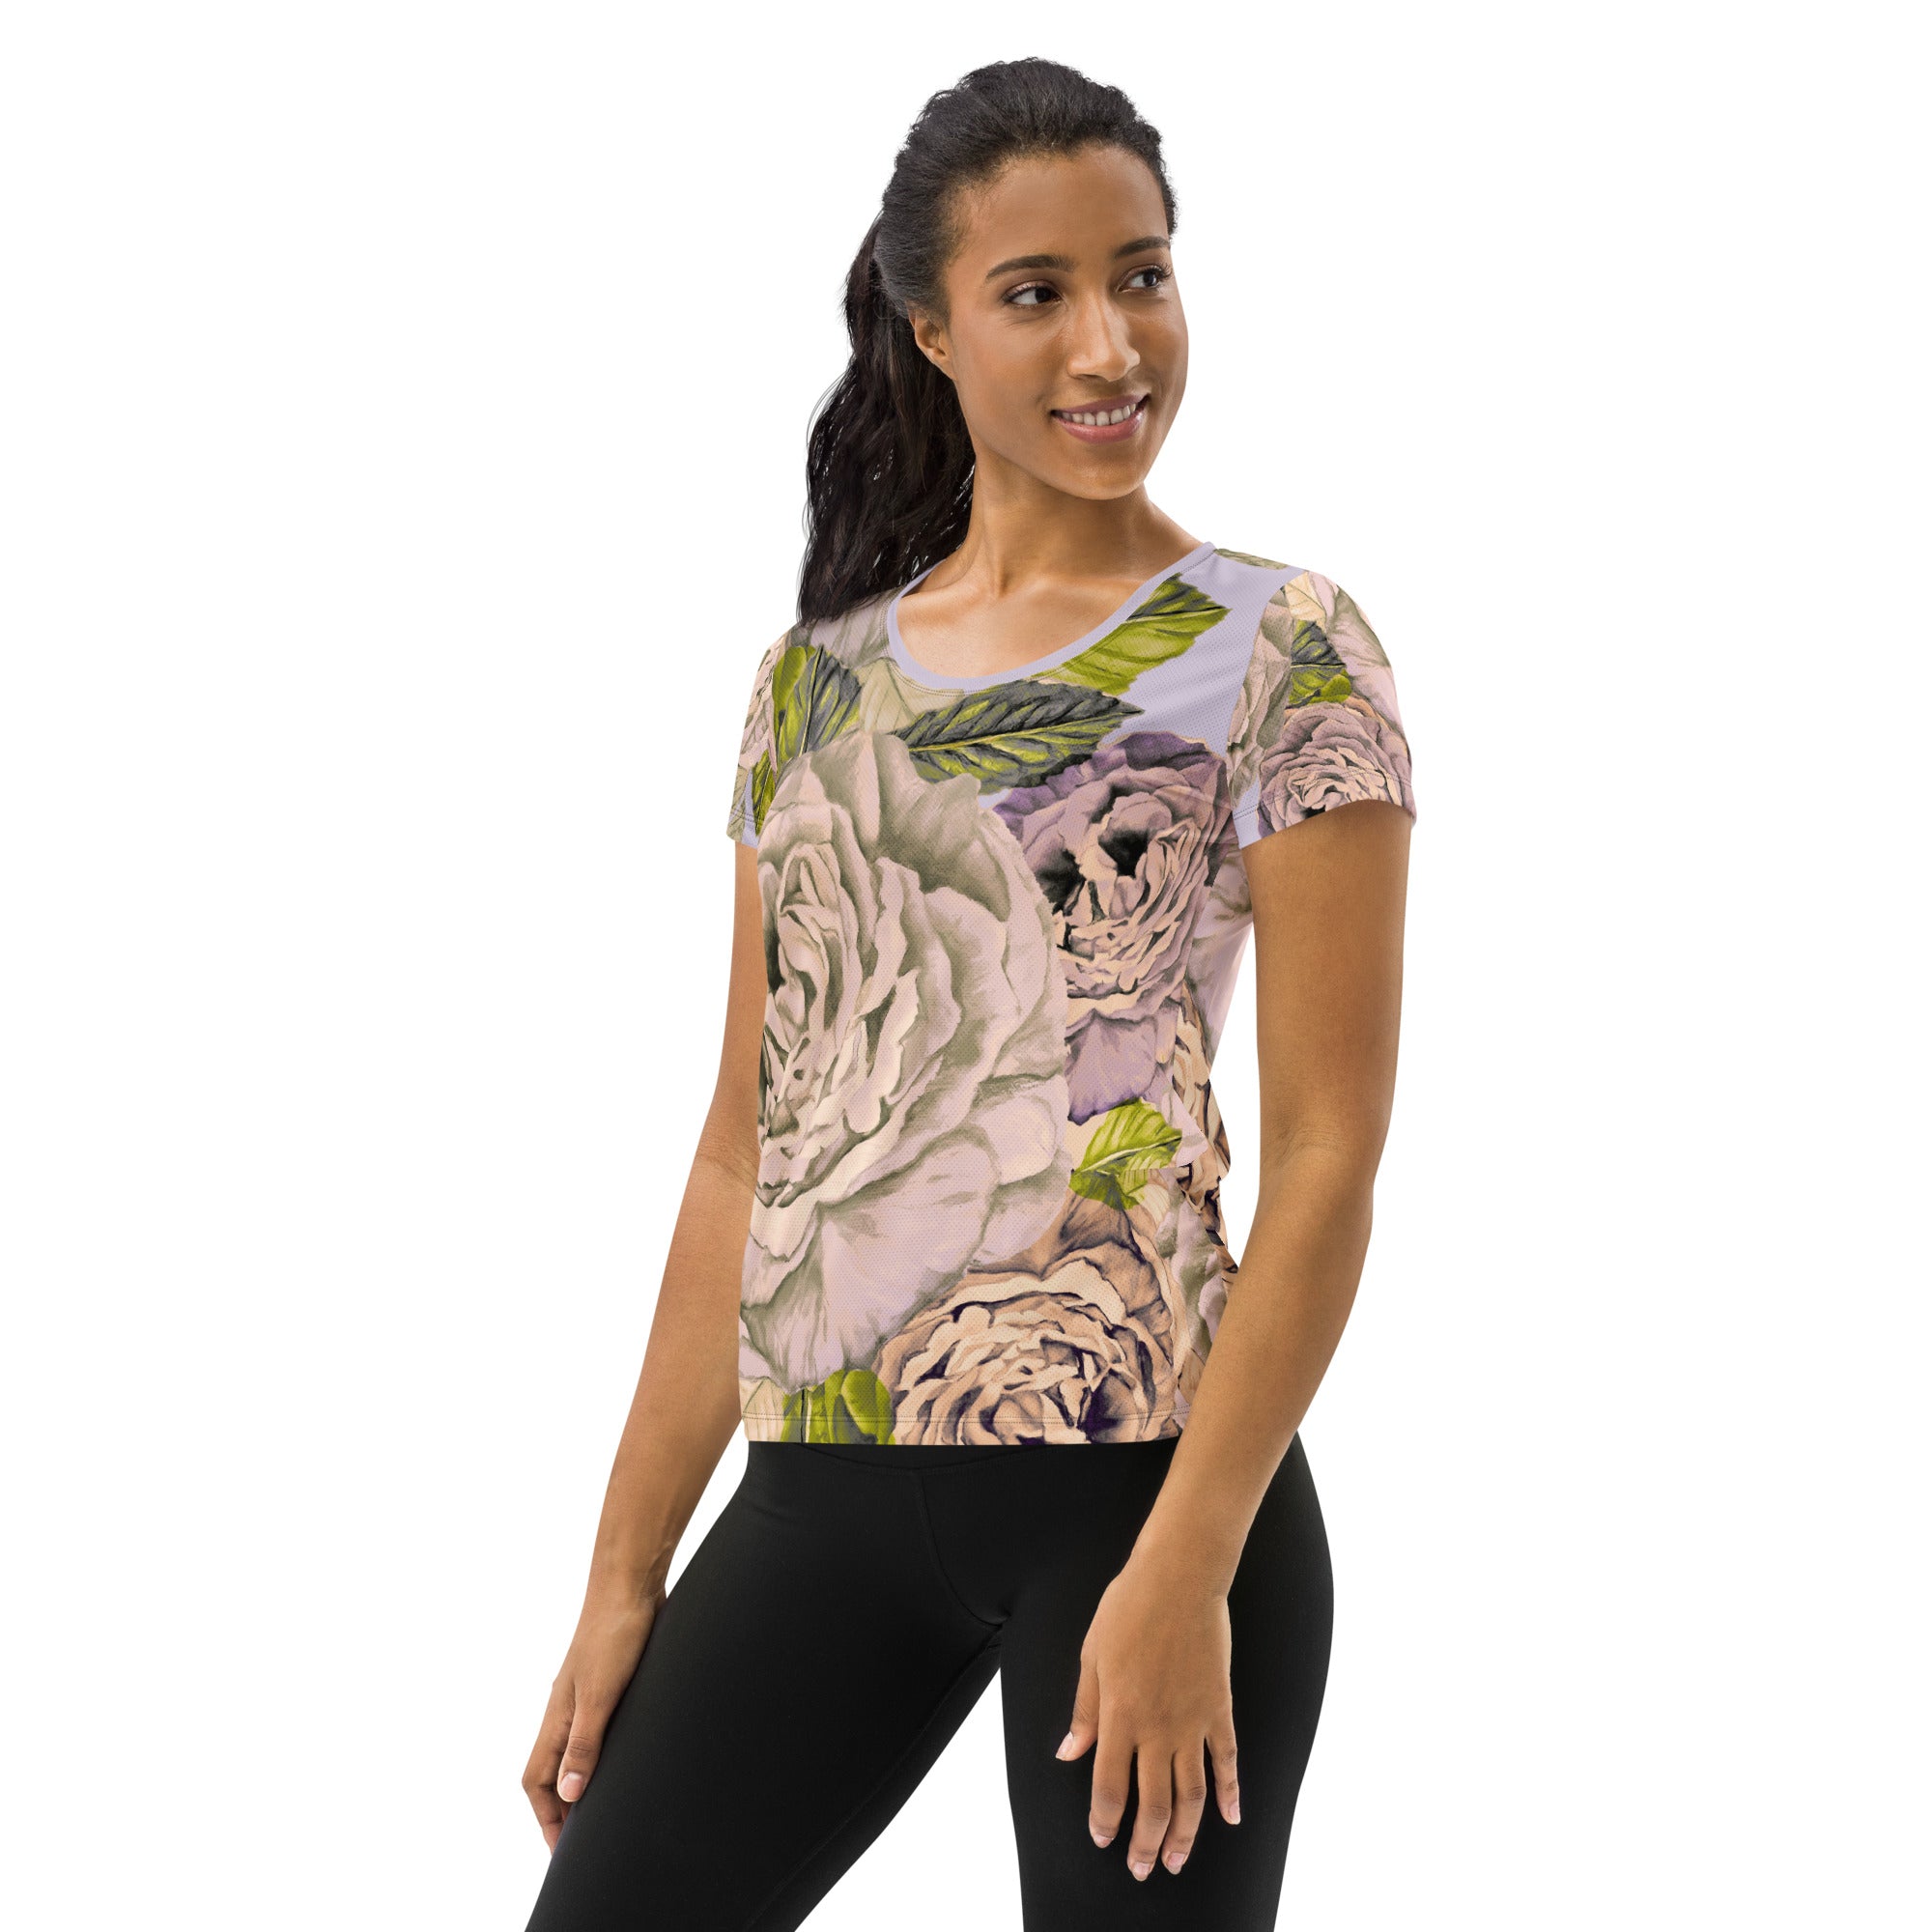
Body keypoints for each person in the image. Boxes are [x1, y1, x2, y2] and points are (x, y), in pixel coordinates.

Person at [519, 55, 1415, 1932]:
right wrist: (622, 1572)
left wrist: (1185, 1571)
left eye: (1142, 274)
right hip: (823, 1494)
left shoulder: (1283, 649)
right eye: (1036, 292)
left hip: (1155, 1498)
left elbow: (1330, 1160)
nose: (1110, 343)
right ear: (930, 328)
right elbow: (742, 1151)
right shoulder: (813, 691)